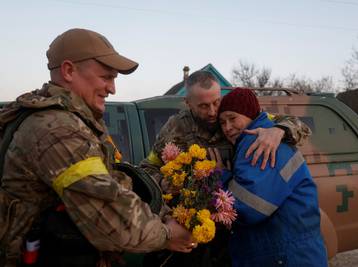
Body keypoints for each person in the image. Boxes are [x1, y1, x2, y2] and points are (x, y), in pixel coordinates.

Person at [0, 28, 195, 267]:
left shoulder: (73, 120)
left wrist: (163, 213)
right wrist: (166, 235)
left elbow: (113, 181)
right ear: (69, 70)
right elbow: (108, 213)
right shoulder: (56, 130)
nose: (112, 89)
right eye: (106, 77)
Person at [140, 72, 311, 266]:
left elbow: (297, 125)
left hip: (234, 228)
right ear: (188, 103)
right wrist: (164, 182)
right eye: (203, 106)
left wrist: (279, 131)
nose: (213, 112)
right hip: (193, 229)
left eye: (216, 102)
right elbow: (148, 166)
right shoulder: (175, 128)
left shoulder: (232, 115)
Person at [213, 88, 327, 267]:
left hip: (286, 256)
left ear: (249, 114)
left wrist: (220, 176)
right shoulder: (260, 137)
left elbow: (248, 207)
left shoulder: (260, 143)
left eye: (233, 118)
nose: (227, 127)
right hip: (287, 252)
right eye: (222, 122)